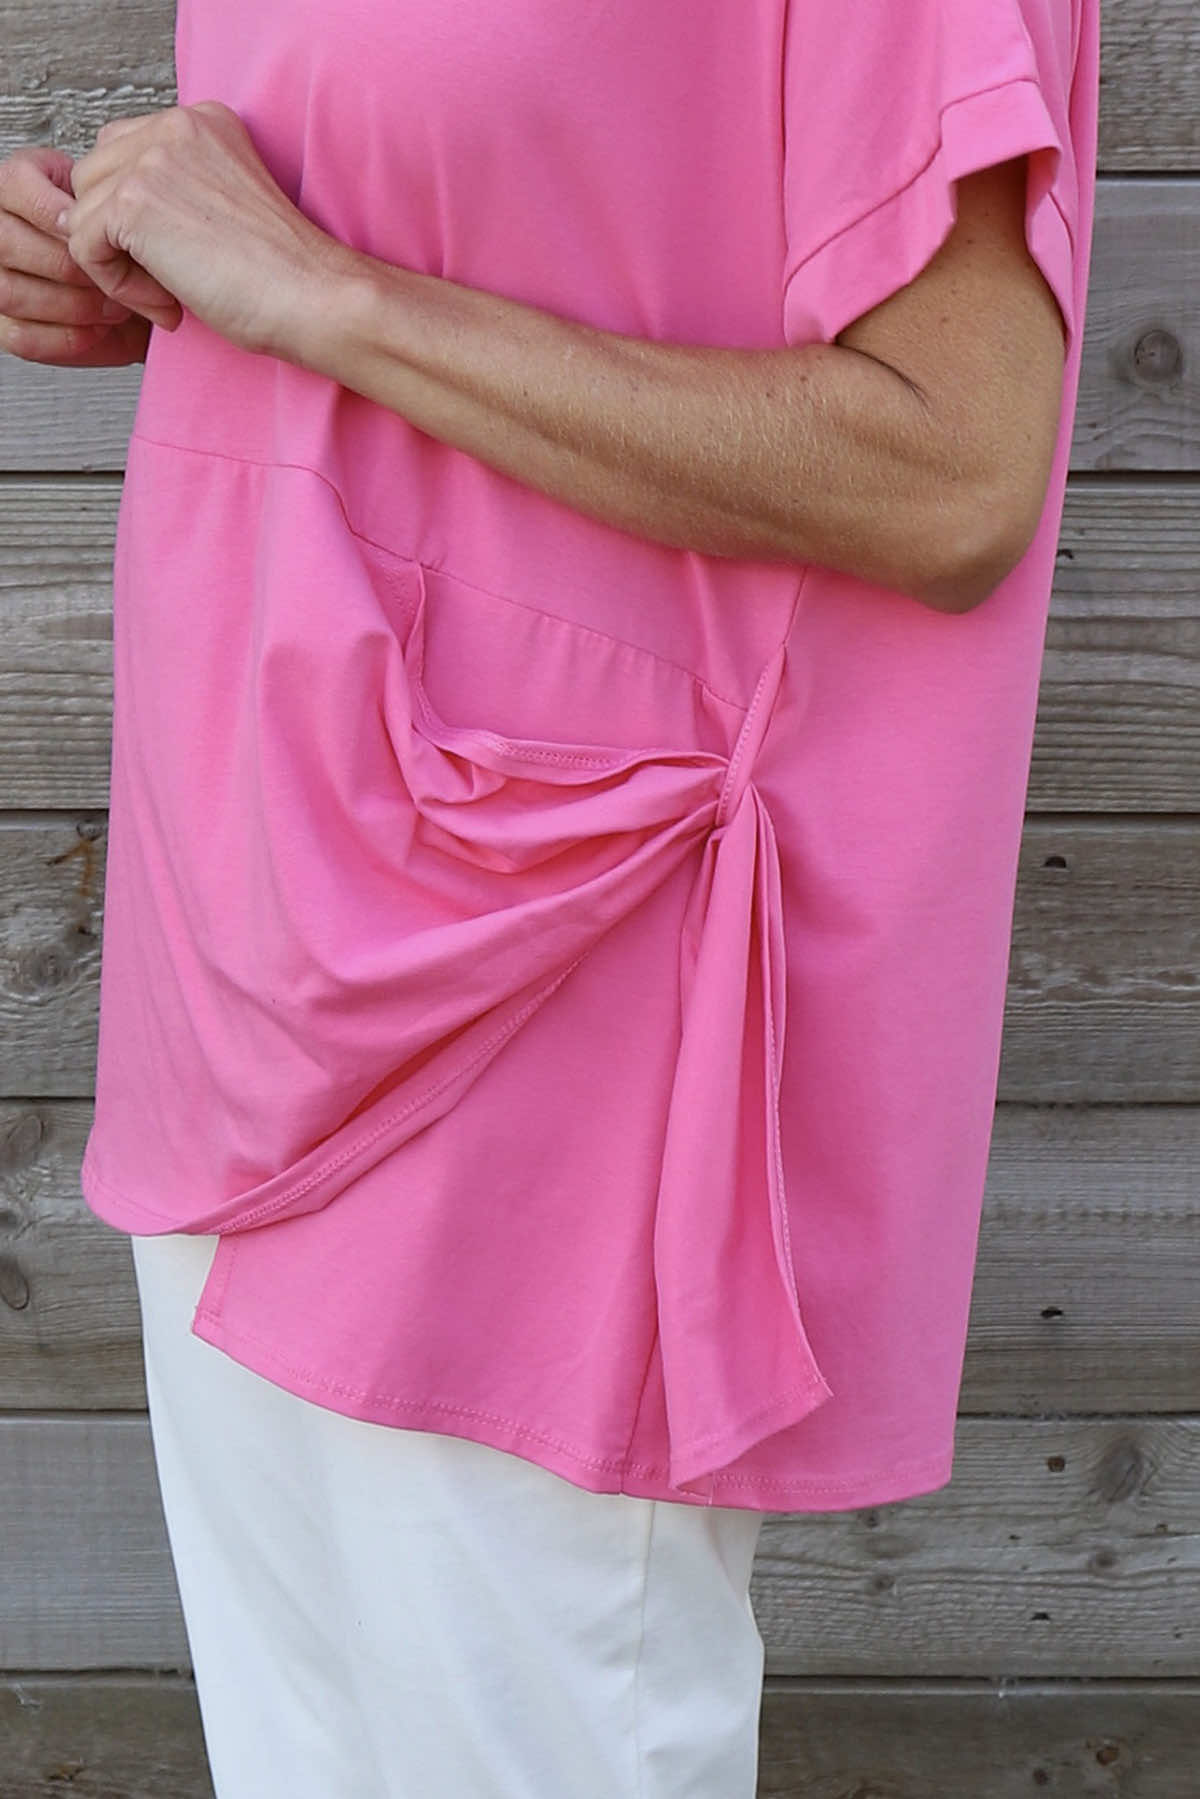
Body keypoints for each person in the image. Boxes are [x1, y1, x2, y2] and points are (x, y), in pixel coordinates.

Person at [1, 1, 1101, 1793]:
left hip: (554, 988)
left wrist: (326, 291)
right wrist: (157, 253)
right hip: (253, 947)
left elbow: (953, 468)